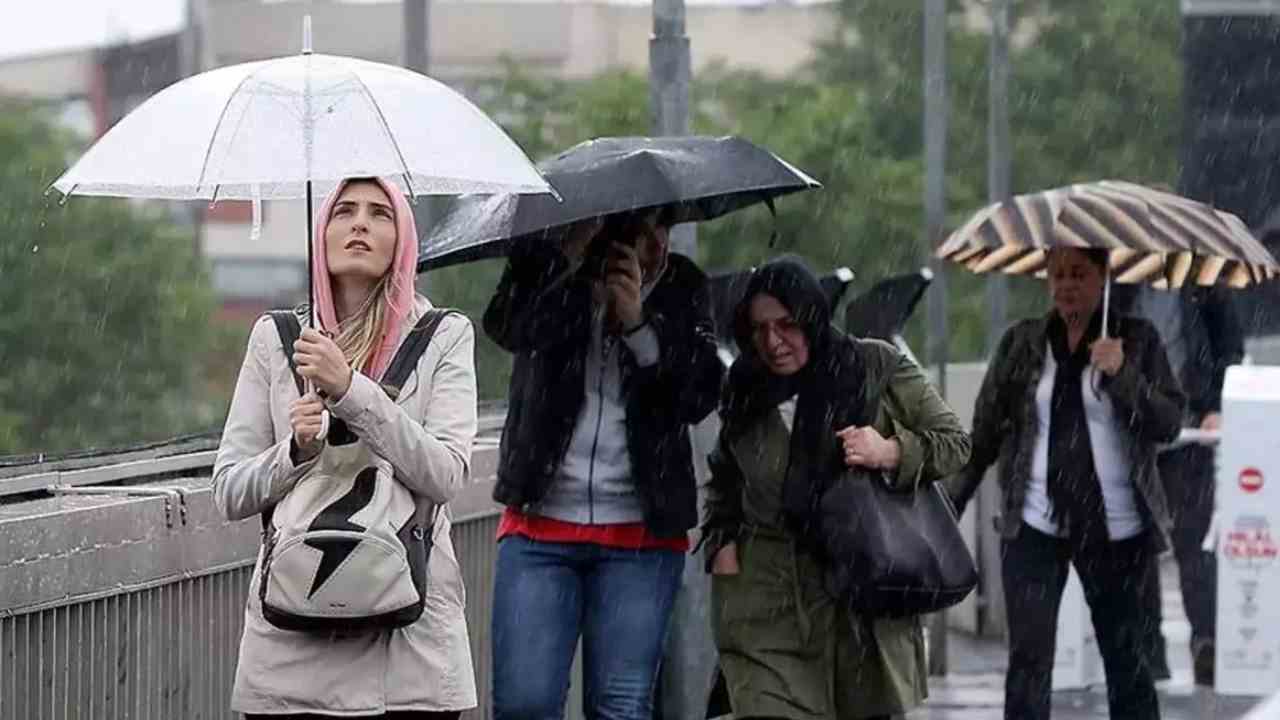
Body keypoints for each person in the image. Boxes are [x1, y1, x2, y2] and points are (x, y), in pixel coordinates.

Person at [213, 177, 479, 719]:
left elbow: (447, 475)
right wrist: (296, 450)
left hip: (409, 656)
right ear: (322, 232)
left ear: (403, 237)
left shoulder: (444, 336)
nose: (360, 223)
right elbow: (229, 491)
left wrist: (351, 390)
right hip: (290, 652)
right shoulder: (278, 338)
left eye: (381, 213)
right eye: (344, 211)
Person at [700, 257, 971, 720]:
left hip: (859, 589)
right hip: (766, 598)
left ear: (812, 316)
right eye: (760, 328)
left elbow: (955, 444)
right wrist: (721, 538)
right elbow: (726, 471)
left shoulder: (873, 365)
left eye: (787, 325)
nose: (773, 341)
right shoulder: (744, 386)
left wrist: (889, 451)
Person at [483, 209, 723, 720]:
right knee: (525, 703)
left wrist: (639, 326)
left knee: (621, 706)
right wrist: (565, 260)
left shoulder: (683, 286)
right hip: (539, 526)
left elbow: (699, 394)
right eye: (632, 230)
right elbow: (507, 327)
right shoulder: (551, 270)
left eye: (661, 228)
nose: (650, 243)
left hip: (641, 533)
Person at [947, 247, 1187, 720]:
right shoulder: (1023, 342)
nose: (1066, 285)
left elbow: (1169, 423)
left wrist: (1122, 375)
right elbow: (985, 433)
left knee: (1127, 663)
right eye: (1056, 275)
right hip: (1034, 521)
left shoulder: (1137, 339)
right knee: (1029, 661)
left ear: (1104, 277)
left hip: (1115, 529)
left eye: (1078, 273)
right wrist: (950, 503)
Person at [1113, 281, 1243, 686]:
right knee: (1135, 545)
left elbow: (1229, 345)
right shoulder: (1116, 287)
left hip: (1189, 431)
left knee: (1194, 538)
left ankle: (1206, 641)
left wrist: (1216, 405)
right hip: (1131, 432)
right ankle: (1148, 651)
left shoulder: (1202, 281)